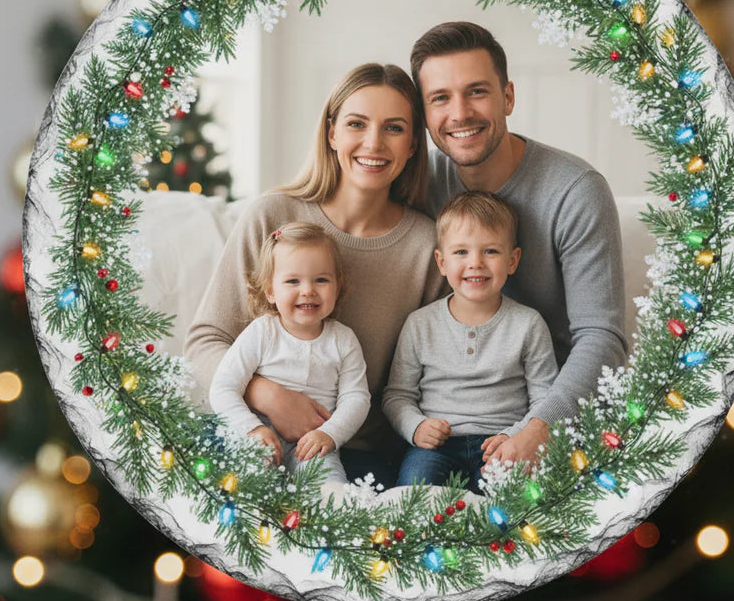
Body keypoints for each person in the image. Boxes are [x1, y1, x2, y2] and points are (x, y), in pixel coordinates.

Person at [185, 64, 443, 487]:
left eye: (394, 128)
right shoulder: (273, 217)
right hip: (255, 438)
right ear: (332, 133)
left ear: (414, 144)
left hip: (355, 456)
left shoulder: (427, 246)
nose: (373, 143)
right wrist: (265, 394)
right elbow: (203, 343)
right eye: (356, 124)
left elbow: (427, 375)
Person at [411, 22, 628, 467]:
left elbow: (602, 338)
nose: (459, 113)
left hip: (552, 410)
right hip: (446, 425)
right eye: (440, 98)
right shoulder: (421, 183)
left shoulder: (575, 190)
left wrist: (538, 430)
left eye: (476, 92)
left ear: (507, 96)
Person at [384, 191, 559, 492]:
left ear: (512, 260)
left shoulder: (528, 324)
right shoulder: (420, 324)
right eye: (461, 252)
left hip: (502, 443)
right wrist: (416, 427)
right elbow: (397, 395)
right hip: (436, 448)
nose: (475, 263)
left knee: (514, 505)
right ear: (441, 262)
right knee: (414, 494)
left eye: (490, 251)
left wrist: (516, 436)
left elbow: (544, 398)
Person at [209, 223, 370, 483]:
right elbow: (223, 388)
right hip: (260, 436)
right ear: (270, 291)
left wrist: (330, 434)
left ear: (337, 287)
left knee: (330, 493)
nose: (307, 290)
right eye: (293, 281)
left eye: (321, 280)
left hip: (314, 444)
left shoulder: (343, 340)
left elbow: (357, 398)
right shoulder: (262, 332)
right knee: (247, 486)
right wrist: (251, 429)